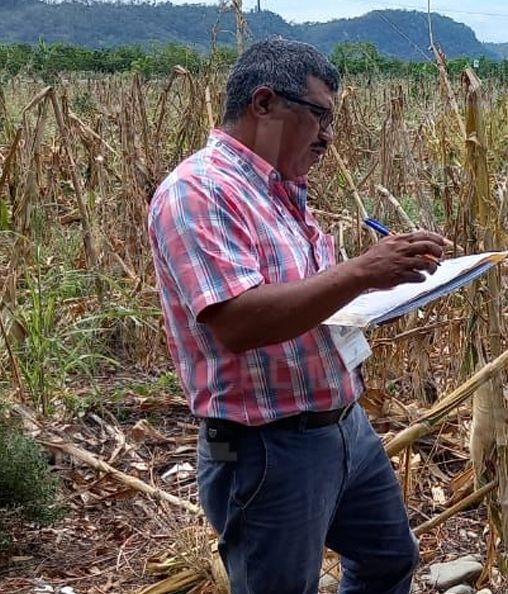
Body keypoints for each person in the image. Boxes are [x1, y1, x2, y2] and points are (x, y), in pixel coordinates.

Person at [148, 38, 447, 594]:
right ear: (265, 103)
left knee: (388, 560)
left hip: (342, 426)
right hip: (265, 447)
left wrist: (377, 288)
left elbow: (307, 299)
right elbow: (237, 321)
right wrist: (362, 272)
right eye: (319, 116)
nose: (328, 137)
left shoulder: (282, 191)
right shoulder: (199, 192)